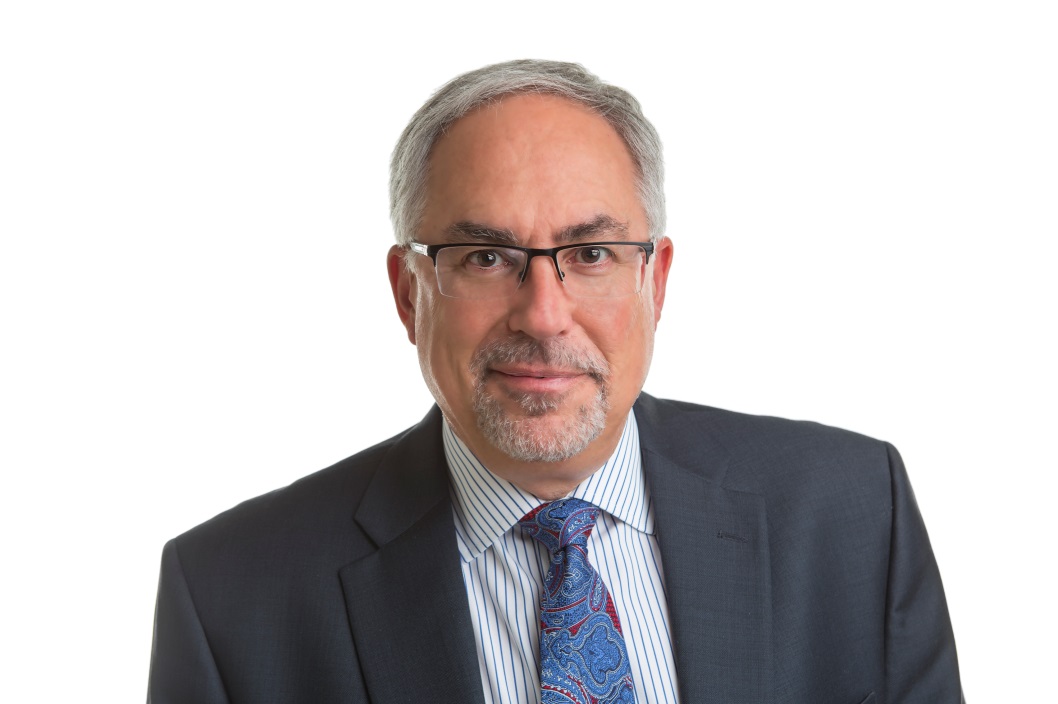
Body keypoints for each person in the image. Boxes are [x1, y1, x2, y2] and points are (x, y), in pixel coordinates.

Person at [148, 60, 962, 704]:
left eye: (592, 254)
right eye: (486, 258)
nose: (543, 315)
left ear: (657, 282)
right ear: (408, 294)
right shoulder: (233, 597)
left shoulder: (852, 515)